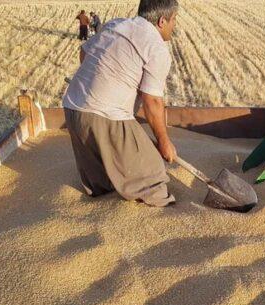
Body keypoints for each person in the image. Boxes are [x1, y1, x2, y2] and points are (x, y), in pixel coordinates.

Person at [62, 0, 179, 207]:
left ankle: (102, 194)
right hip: (106, 115)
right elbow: (151, 101)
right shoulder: (156, 47)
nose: (174, 25)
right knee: (152, 172)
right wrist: (163, 142)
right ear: (162, 21)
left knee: (100, 180)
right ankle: (158, 212)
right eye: (174, 20)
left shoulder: (116, 25)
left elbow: (84, 53)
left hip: (73, 109)